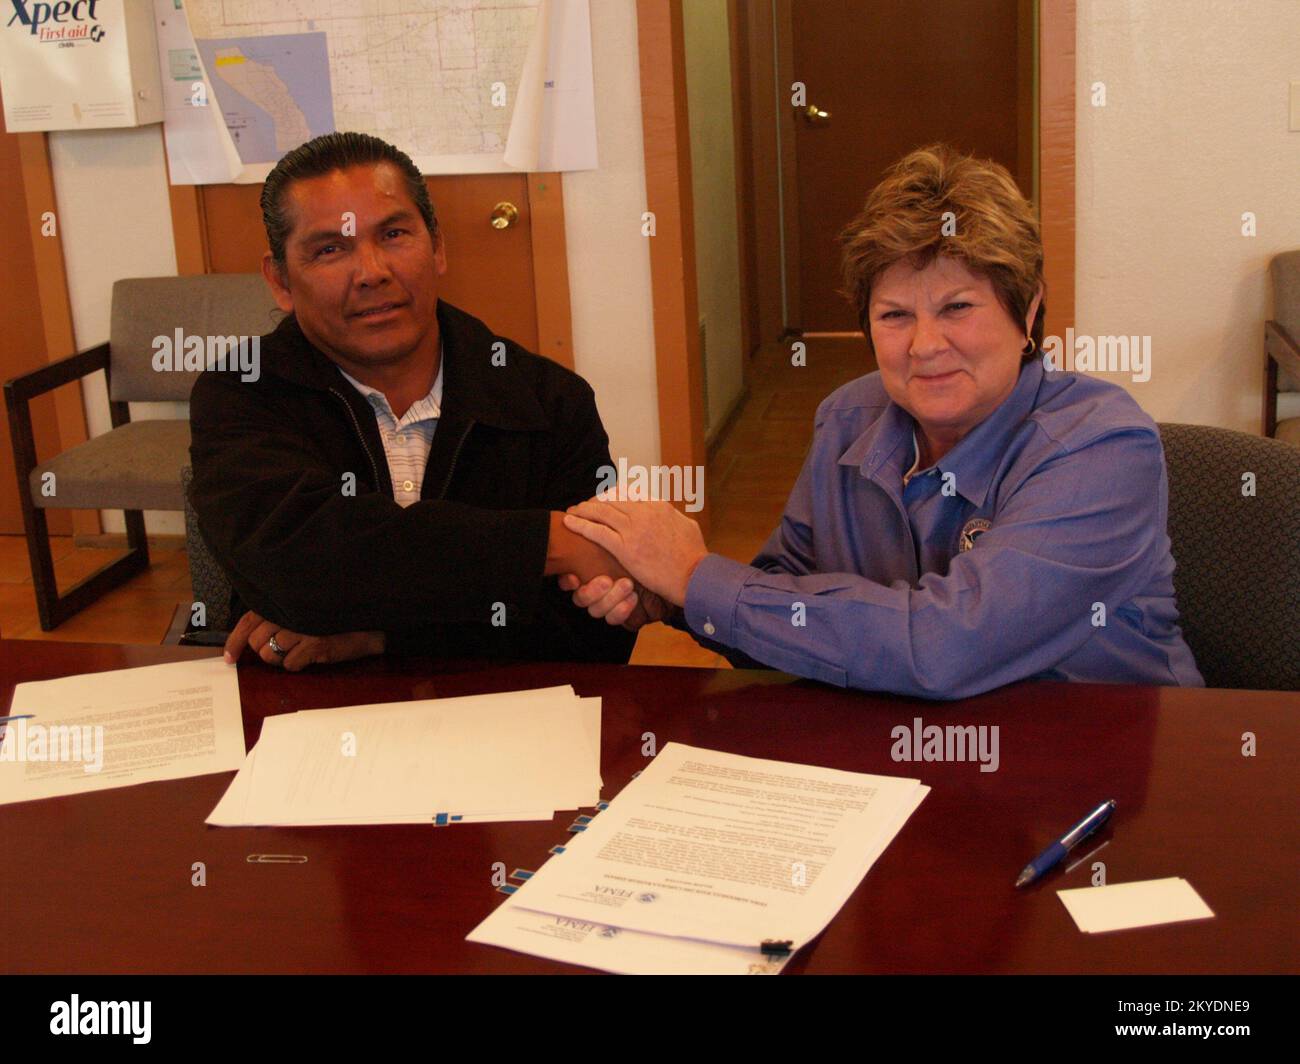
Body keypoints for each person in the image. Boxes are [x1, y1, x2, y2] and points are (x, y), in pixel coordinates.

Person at [559, 144, 1204, 699]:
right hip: (909, 769)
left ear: (1028, 312)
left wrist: (699, 579)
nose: (925, 345)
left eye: (957, 307)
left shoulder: (1103, 447)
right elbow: (785, 608)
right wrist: (671, 598)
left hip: (1097, 780)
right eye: (895, 315)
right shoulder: (848, 416)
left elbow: (945, 648)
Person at [189, 132, 635, 670]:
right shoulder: (242, 392)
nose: (372, 272)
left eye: (394, 233)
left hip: (503, 721)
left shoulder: (546, 399)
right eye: (330, 249)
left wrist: (381, 637)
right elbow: (298, 571)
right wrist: (550, 542)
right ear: (280, 280)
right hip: (310, 713)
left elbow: (595, 634)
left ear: (438, 247)